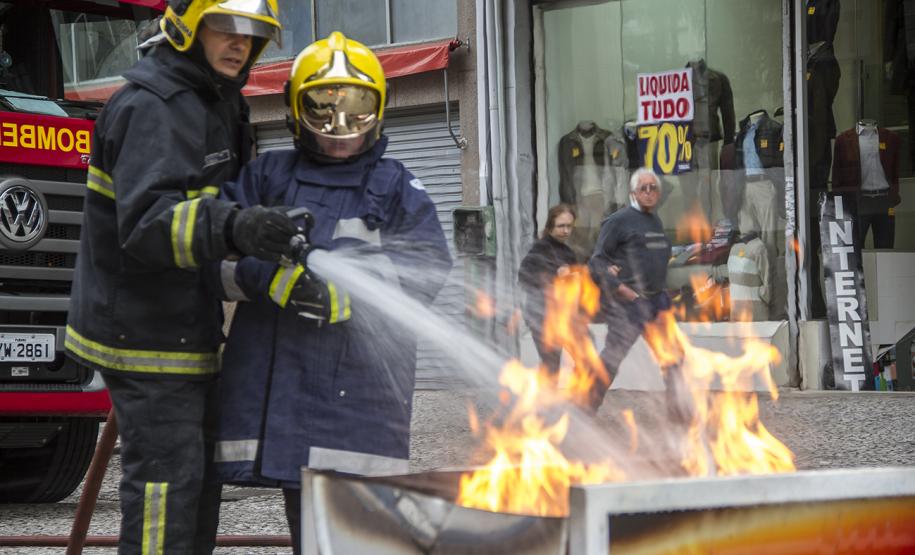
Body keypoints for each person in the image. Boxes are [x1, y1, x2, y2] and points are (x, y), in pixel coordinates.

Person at [64, 2, 298, 553]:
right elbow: (147, 225)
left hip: (184, 325)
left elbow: (222, 203)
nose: (240, 43)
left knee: (197, 488)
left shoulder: (218, 100)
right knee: (165, 490)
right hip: (141, 333)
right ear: (188, 28)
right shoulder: (154, 107)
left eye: (253, 34)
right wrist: (237, 226)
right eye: (226, 28)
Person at [208, 32, 452, 553]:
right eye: (321, 110)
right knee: (306, 520)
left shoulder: (398, 189)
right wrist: (268, 281)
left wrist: (353, 295)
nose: (339, 128)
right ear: (297, 110)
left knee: (354, 535)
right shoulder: (264, 178)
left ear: (379, 110)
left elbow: (429, 269)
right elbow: (211, 258)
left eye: (356, 111)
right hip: (282, 389)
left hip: (356, 396)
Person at [587, 167, 672, 411]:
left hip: (656, 302)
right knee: (612, 359)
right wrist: (623, 290)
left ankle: (680, 412)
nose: (648, 192)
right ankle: (584, 408)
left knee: (673, 358)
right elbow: (597, 262)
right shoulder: (618, 221)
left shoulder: (655, 220)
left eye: (653, 187)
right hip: (630, 305)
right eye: (643, 188)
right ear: (633, 192)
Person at [518, 204, 579, 379]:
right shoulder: (540, 249)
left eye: (569, 226)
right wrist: (556, 276)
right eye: (561, 226)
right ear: (550, 226)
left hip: (561, 315)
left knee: (574, 358)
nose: (566, 231)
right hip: (540, 315)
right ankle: (545, 402)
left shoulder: (568, 253)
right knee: (551, 363)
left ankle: (561, 399)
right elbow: (524, 277)